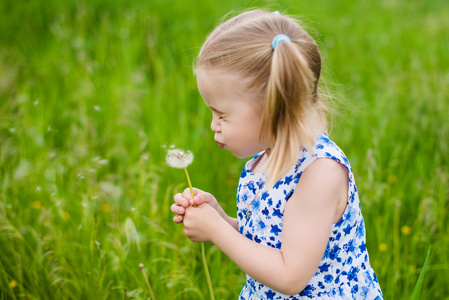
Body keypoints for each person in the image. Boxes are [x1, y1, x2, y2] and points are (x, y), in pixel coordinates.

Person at [170, 9, 383, 299]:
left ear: (273, 109)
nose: (213, 126)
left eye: (222, 115)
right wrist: (220, 219)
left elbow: (290, 275)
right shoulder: (263, 159)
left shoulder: (319, 174)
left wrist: (217, 232)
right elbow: (270, 241)